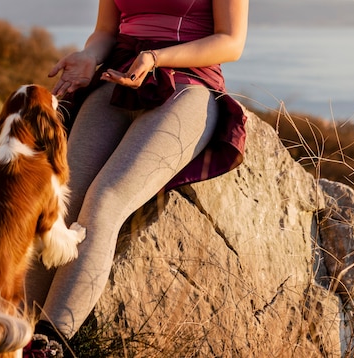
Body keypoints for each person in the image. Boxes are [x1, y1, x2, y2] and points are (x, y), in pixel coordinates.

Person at [24, 0, 249, 355]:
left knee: (105, 202)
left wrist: (157, 58)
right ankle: (16, 334)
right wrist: (88, 56)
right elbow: (106, 32)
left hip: (188, 86)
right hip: (117, 81)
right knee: (60, 205)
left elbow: (231, 41)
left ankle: (48, 346)